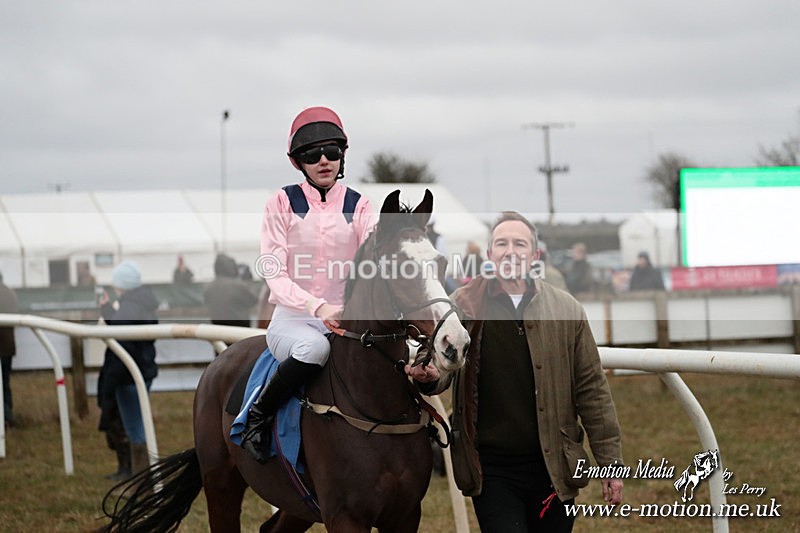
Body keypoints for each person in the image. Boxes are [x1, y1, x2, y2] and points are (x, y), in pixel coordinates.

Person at [425, 212, 624, 532]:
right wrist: (430, 375)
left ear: (535, 255)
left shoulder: (566, 309)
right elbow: (436, 364)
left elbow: (592, 389)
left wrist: (610, 463)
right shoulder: (461, 306)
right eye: (501, 243)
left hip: (553, 466)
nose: (510, 250)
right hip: (491, 469)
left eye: (520, 243)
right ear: (490, 254)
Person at [240, 106, 379, 463]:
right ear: (297, 161)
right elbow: (274, 272)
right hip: (293, 320)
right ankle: (258, 415)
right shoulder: (281, 203)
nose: (323, 160)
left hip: (346, 318)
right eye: (312, 154)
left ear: (342, 156)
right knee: (315, 350)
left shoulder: (360, 205)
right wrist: (318, 307)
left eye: (332, 152)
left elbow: (374, 255)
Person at [96, 260, 159, 481]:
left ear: (120, 285)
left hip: (128, 376)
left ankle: (141, 477)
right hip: (143, 370)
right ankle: (142, 474)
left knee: (135, 429)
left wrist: (108, 386)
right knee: (139, 424)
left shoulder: (128, 308)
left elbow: (121, 346)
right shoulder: (143, 303)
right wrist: (107, 309)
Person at [203, 253, 258, 329]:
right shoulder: (237, 286)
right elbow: (253, 300)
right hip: (239, 331)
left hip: (217, 331)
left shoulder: (208, 287)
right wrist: (247, 280)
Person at [0, 271, 19, 428]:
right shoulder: (10, 293)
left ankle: (5, 416)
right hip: (8, 347)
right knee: (5, 382)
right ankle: (8, 416)